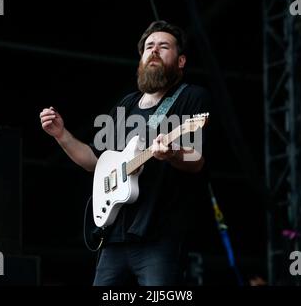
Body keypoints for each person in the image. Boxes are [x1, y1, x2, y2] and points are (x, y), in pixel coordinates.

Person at [40, 20, 212, 285]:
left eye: (163, 46)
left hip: (160, 239)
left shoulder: (191, 97)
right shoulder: (126, 104)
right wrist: (61, 135)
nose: (154, 51)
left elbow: (197, 160)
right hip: (114, 238)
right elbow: (94, 161)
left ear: (180, 61)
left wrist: (172, 154)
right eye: (148, 47)